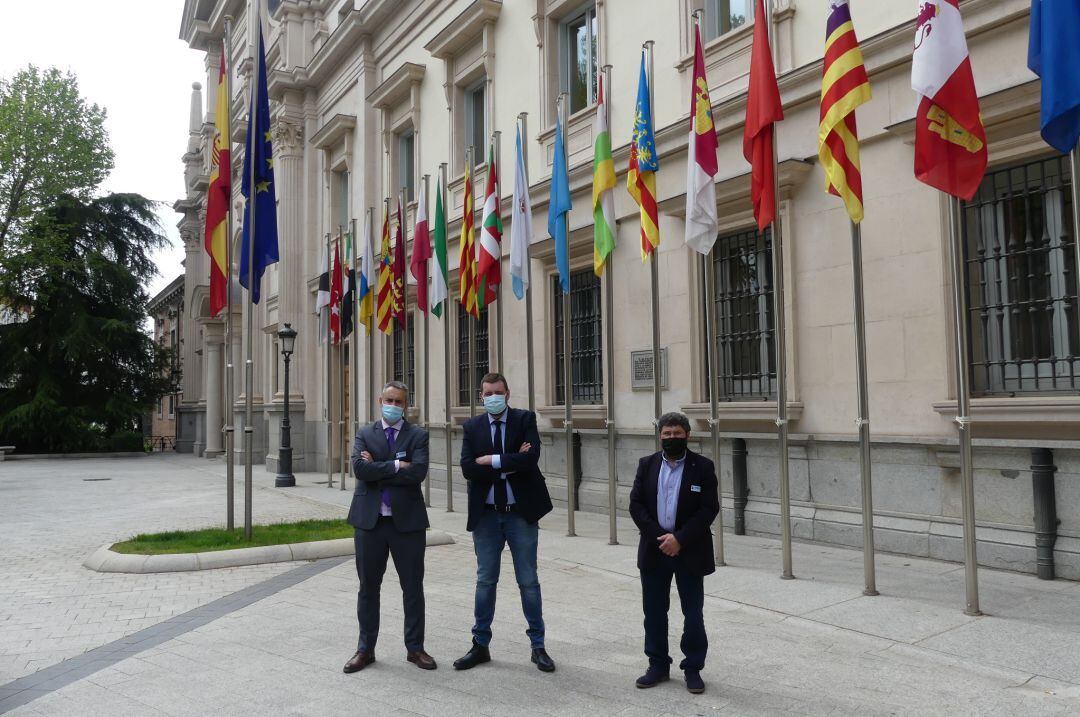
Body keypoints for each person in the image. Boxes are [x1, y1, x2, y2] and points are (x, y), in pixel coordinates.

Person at [453, 372, 555, 673]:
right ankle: (480, 644)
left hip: (519, 514)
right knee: (486, 581)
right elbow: (467, 468)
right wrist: (511, 461)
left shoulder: (524, 420)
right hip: (486, 516)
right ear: (481, 396)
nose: (493, 398)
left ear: (507, 394)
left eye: (498, 392)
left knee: (528, 581)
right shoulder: (472, 426)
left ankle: (538, 646)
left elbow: (531, 458)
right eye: (488, 393)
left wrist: (492, 461)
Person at [343, 380, 436, 673]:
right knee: (368, 587)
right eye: (389, 400)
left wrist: (378, 468)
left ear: (406, 405)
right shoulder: (364, 433)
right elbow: (359, 469)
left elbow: (418, 473)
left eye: (399, 402)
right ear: (379, 400)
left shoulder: (417, 435)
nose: (393, 406)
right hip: (370, 523)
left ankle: (415, 648)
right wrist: (397, 466)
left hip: (407, 524)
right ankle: (365, 649)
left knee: (412, 587)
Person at [628, 411, 720, 694]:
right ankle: (657, 664)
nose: (671, 439)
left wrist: (679, 539)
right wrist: (660, 538)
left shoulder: (702, 467)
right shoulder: (647, 465)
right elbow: (636, 505)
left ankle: (693, 667)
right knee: (654, 611)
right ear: (660, 436)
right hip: (655, 551)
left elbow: (709, 509)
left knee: (693, 613)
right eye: (666, 434)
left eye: (677, 434)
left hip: (690, 551)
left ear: (688, 435)